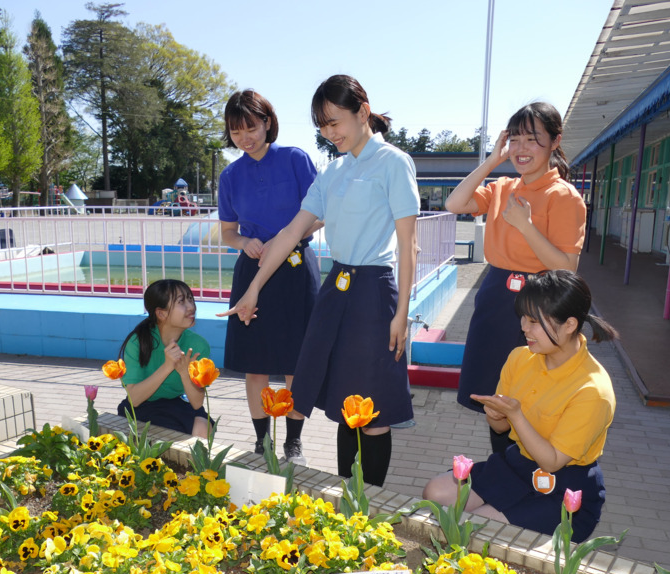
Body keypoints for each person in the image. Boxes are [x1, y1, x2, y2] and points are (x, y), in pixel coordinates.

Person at [222, 75, 419, 487]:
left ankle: (372, 499)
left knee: (373, 402)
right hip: (337, 287)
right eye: (323, 127)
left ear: (362, 111)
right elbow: (291, 233)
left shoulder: (393, 162)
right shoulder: (333, 171)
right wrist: (253, 288)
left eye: (335, 123)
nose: (331, 134)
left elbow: (408, 245)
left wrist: (402, 313)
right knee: (347, 400)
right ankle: (350, 496)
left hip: (374, 289)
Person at [422, 270, 617, 542]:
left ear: (570, 324)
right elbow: (501, 427)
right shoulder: (520, 357)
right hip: (519, 465)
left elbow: (551, 461)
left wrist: (516, 414)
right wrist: (496, 415)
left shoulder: (593, 390)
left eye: (534, 321)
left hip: (566, 485)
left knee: (479, 529)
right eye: (524, 318)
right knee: (436, 493)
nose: (524, 327)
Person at [446, 102, 586, 454]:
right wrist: (492, 161)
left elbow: (567, 267)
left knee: (531, 394)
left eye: (533, 139)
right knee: (494, 396)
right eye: (516, 139)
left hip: (542, 303)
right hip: (495, 295)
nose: (522, 149)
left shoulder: (565, 196)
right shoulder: (502, 187)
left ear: (555, 142)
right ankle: (502, 464)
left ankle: (528, 468)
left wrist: (525, 225)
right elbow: (454, 203)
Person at [218, 90, 320, 465]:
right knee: (255, 364)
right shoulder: (230, 176)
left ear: (267, 123)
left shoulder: (295, 160)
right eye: (236, 130)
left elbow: (320, 213)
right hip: (253, 269)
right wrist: (245, 242)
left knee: (296, 363)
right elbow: (227, 232)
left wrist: (287, 234)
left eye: (251, 127)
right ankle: (261, 442)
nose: (245, 137)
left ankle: (294, 442)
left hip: (295, 269)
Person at [116, 279, 210, 438]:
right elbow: (135, 399)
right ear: (161, 313)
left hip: (180, 403)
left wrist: (184, 374)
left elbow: (197, 403)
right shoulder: (138, 342)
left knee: (203, 429)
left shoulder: (198, 345)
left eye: (190, 299)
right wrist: (167, 366)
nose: (191, 307)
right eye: (181, 302)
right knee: (166, 432)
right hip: (144, 405)